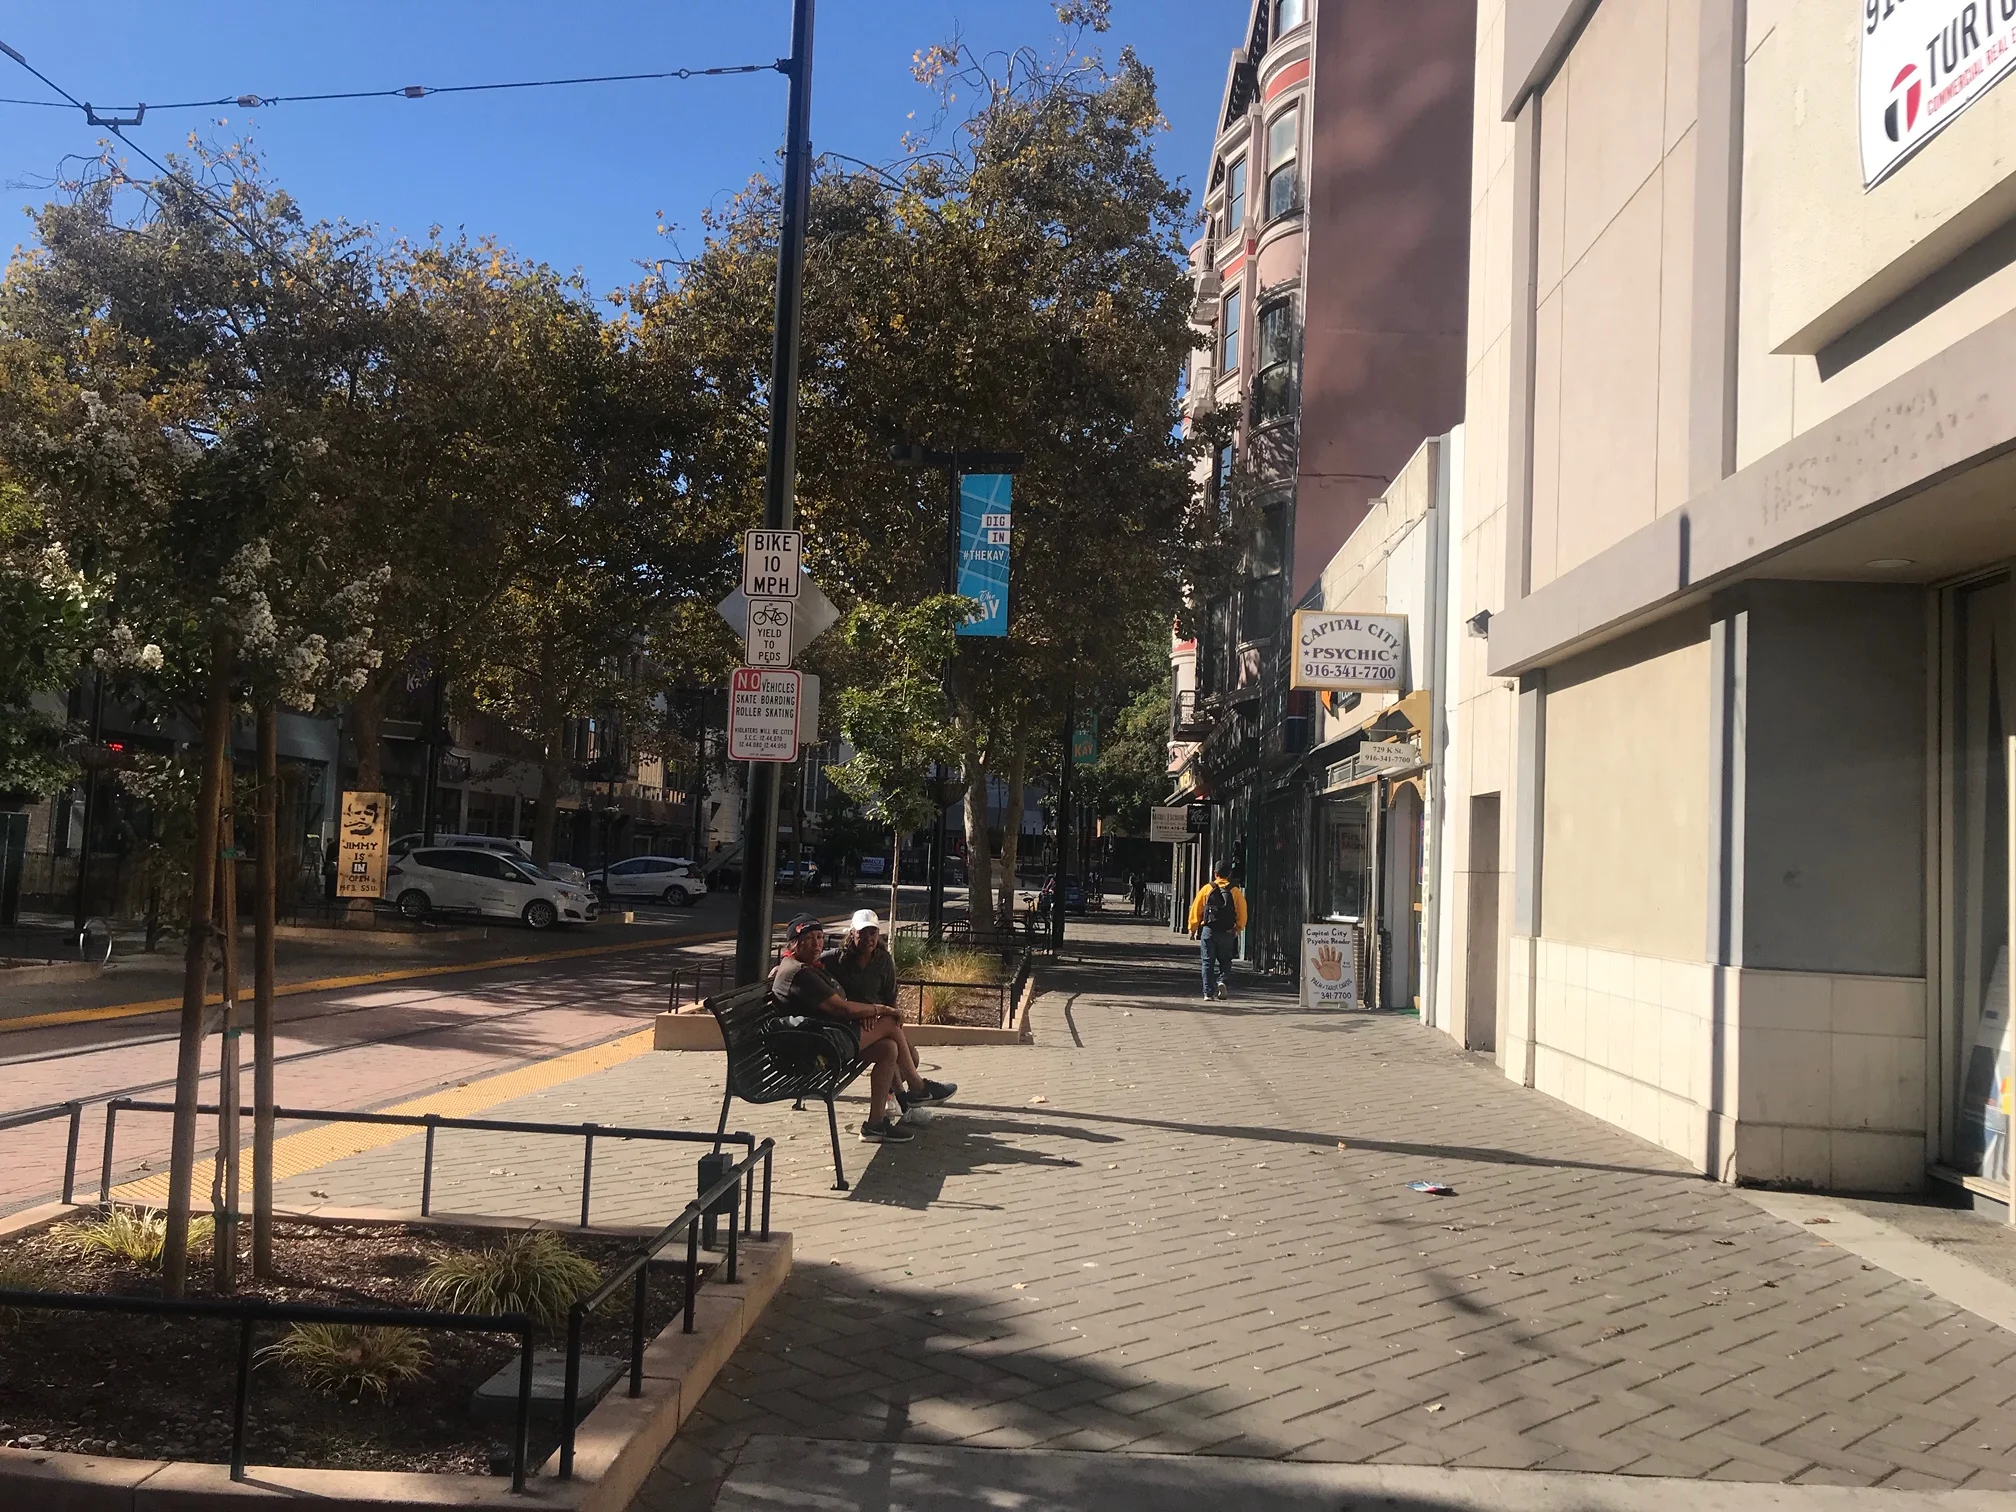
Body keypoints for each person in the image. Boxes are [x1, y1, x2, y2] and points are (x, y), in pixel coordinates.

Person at [770, 913, 955, 1142]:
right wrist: (881, 1011)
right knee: (888, 1022)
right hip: (819, 1048)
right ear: (794, 944)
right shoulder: (801, 972)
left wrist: (875, 1012)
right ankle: (917, 1089)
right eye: (809, 939)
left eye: (819, 937)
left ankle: (875, 1125)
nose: (817, 943)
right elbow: (841, 1009)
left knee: (888, 1048)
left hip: (825, 1038)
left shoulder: (803, 966)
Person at [1187, 863, 1248, 1001]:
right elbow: (1242, 912)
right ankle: (1222, 981)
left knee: (1207, 962)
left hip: (1209, 930)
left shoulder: (1207, 889)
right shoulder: (1235, 891)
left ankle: (1208, 992)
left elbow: (1196, 908)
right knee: (1225, 960)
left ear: (1215, 873)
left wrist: (1192, 928)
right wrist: (1239, 927)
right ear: (1229, 874)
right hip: (1227, 931)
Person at [823, 908, 898, 1014]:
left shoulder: (884, 960)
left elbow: (890, 999)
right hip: (847, 1017)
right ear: (852, 933)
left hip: (875, 1017)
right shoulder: (836, 958)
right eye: (862, 933)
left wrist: (894, 1017)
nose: (868, 938)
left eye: (872, 933)